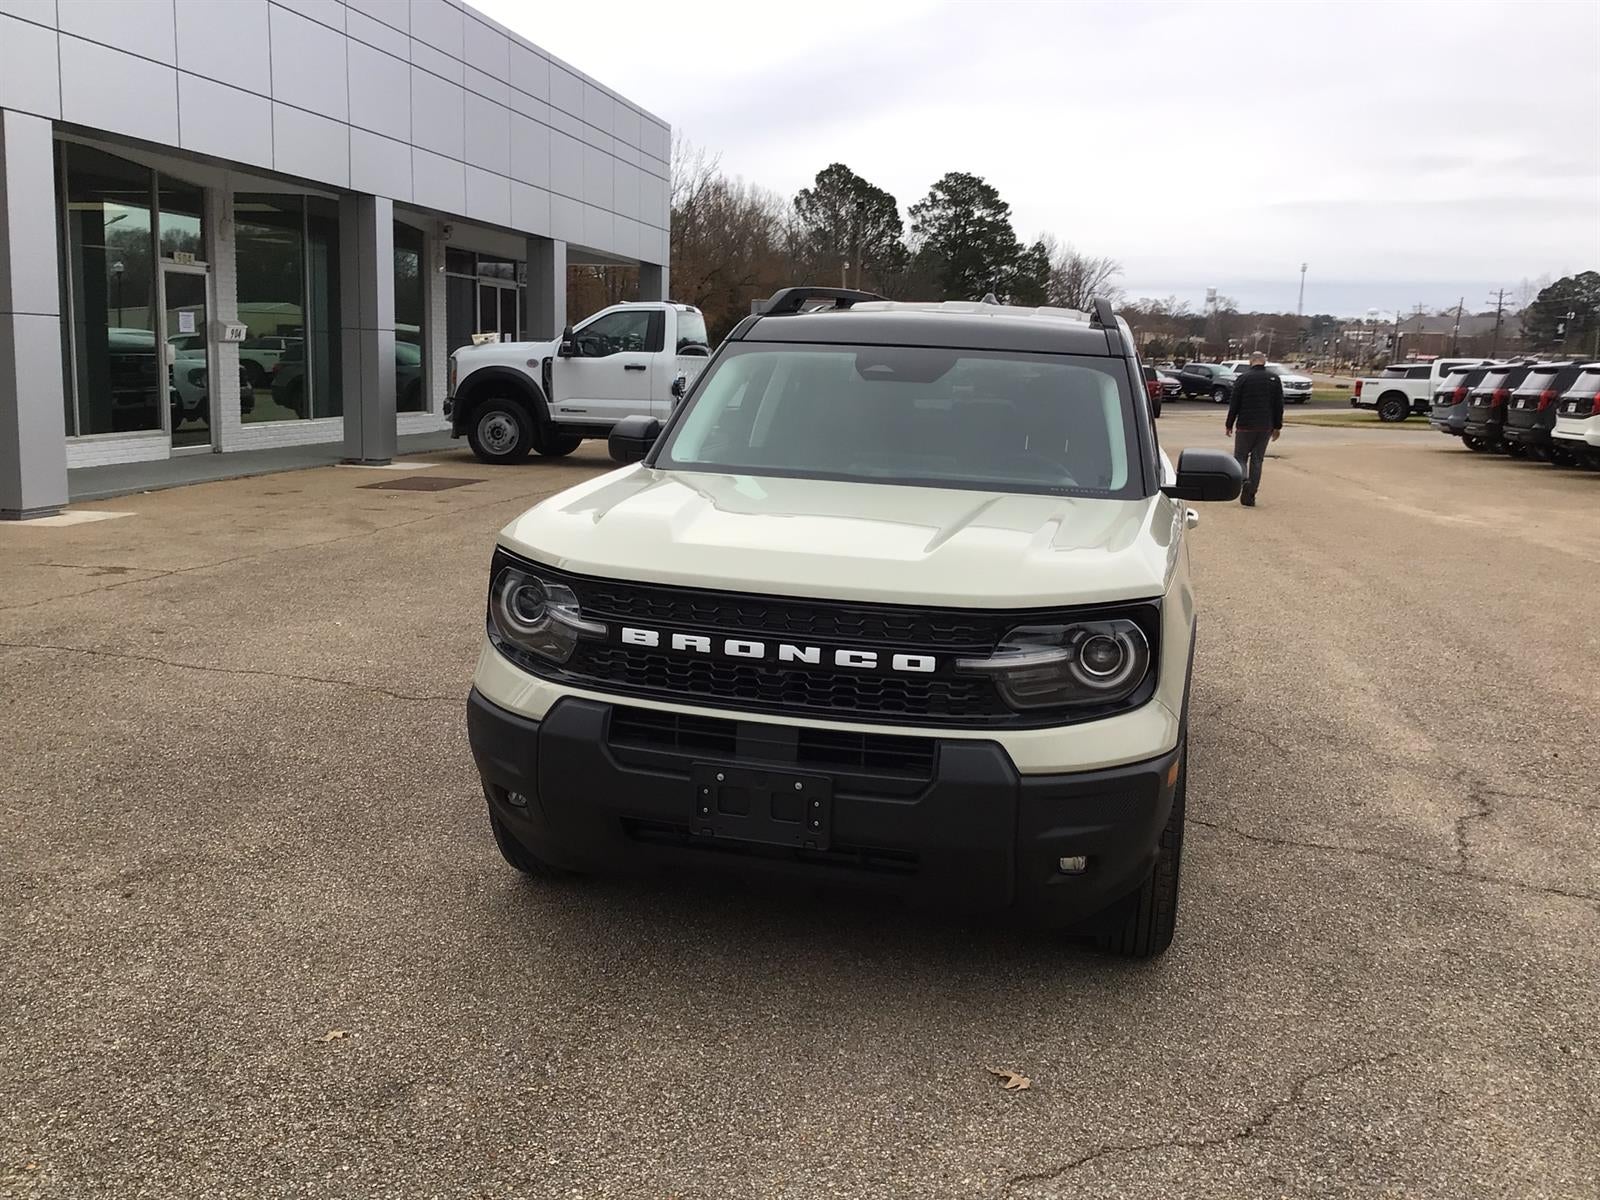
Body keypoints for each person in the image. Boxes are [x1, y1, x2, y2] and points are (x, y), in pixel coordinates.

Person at [1224, 351, 1283, 507]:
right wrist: (1277, 426)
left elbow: (1234, 403)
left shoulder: (1243, 378)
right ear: (1264, 362)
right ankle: (1251, 494)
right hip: (1265, 426)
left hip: (1245, 425)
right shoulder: (1274, 379)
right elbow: (1279, 405)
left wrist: (1229, 423)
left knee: (1241, 457)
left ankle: (1244, 480)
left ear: (1251, 362)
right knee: (1257, 459)